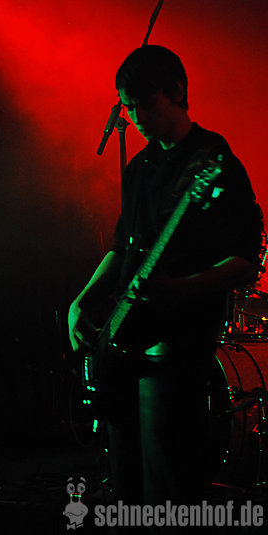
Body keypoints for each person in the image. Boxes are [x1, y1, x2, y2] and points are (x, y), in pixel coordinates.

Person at [68, 45, 263, 514]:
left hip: (175, 351)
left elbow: (243, 261)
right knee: (127, 492)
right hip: (122, 344)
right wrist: (82, 300)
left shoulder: (214, 162)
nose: (136, 117)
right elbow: (123, 246)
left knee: (168, 494)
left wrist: (179, 289)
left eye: (145, 105)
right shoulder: (139, 167)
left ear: (177, 92)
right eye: (128, 107)